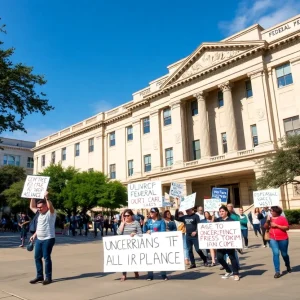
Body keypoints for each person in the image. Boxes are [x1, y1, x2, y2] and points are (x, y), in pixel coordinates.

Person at [29, 191, 56, 285]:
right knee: (37, 257)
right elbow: (31, 206)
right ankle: (39, 276)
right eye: (38, 207)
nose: (39, 209)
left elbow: (51, 208)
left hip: (48, 239)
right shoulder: (39, 214)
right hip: (39, 239)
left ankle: (48, 277)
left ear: (46, 206)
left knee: (46, 257)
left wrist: (47, 198)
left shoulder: (51, 213)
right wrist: (33, 196)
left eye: (40, 207)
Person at [264, 206, 291, 278]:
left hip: (283, 238)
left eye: (272, 211)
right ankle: (277, 271)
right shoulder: (270, 218)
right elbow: (266, 227)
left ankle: (287, 265)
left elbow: (287, 228)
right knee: (276, 253)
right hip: (273, 239)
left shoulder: (282, 218)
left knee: (284, 254)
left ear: (276, 212)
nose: (271, 212)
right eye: (270, 211)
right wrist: (267, 221)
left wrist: (277, 225)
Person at [215, 205, 240, 281]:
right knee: (219, 258)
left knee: (232, 258)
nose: (221, 213)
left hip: (229, 243)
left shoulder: (231, 220)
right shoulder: (217, 220)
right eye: (220, 211)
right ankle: (228, 270)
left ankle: (236, 274)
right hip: (220, 243)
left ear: (226, 212)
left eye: (223, 211)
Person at [143, 207, 168, 281]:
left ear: (156, 213)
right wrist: (144, 225)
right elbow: (144, 231)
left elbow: (163, 231)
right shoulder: (148, 221)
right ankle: (150, 275)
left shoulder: (161, 221)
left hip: (159, 243)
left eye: (152, 212)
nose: (150, 213)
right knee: (150, 258)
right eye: (150, 212)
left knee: (160, 258)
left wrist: (153, 232)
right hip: (150, 243)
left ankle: (163, 274)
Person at [117, 209, 142, 281]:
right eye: (124, 216)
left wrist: (135, 234)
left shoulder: (136, 223)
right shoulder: (123, 223)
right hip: (125, 245)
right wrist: (122, 223)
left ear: (132, 216)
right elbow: (118, 233)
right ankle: (124, 274)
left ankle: (136, 271)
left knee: (133, 259)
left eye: (128, 215)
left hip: (134, 245)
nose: (126, 217)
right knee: (125, 259)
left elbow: (140, 233)